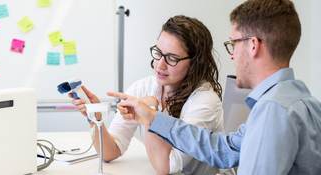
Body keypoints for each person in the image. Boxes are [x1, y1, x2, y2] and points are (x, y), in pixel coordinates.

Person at [108, 0, 321, 174]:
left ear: (253, 45)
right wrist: (153, 118)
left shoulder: (274, 111)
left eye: (233, 43)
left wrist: (151, 118)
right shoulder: (298, 99)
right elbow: (223, 149)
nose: (232, 54)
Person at [71, 15, 225, 174]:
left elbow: (167, 167)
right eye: (158, 52)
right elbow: (111, 151)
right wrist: (96, 119)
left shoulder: (205, 101)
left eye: (172, 58)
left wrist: (149, 115)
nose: (160, 65)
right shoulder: (144, 87)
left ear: (194, 63)